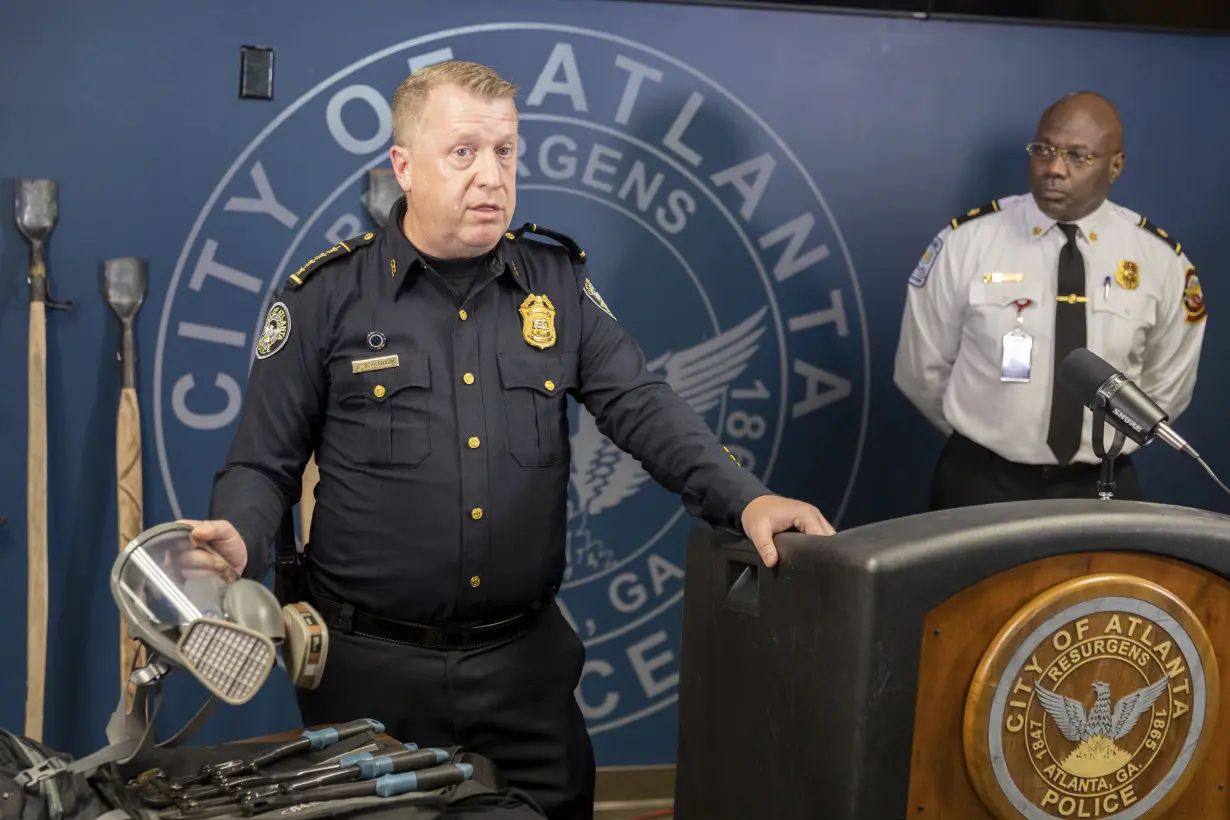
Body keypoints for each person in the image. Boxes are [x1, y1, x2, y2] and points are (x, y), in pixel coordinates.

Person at [177, 61, 834, 819]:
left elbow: (644, 408)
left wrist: (746, 499)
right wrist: (241, 537)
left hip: (524, 667)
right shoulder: (326, 297)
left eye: (505, 152)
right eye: (463, 153)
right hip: (370, 670)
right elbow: (264, 463)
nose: (490, 175)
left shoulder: (554, 286)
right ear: (404, 167)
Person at [893, 91, 1206, 510]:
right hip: (980, 481)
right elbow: (921, 369)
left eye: (1078, 156)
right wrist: (986, 440)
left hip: (1100, 483)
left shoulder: (1159, 261)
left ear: (1115, 166)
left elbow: (1168, 384)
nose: (1054, 169)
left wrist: (1108, 445)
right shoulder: (967, 242)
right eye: (1043, 150)